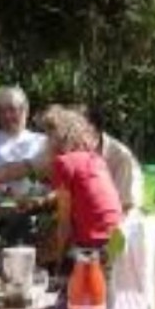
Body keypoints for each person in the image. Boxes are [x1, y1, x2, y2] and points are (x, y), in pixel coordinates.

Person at [0, 104, 144, 215]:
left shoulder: (122, 158)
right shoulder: (65, 150)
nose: (63, 138)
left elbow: (127, 207)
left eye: (70, 130)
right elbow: (26, 167)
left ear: (91, 131)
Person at [39, 105, 123, 261]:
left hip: (94, 246)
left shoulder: (63, 163)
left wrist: (57, 260)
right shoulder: (95, 158)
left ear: (57, 137)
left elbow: (65, 224)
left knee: (48, 238)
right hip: (119, 240)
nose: (45, 142)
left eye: (48, 136)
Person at [0, 85, 46, 195]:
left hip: (35, 207)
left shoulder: (42, 141)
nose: (7, 116)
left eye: (12, 109)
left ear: (25, 110)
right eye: (1, 111)